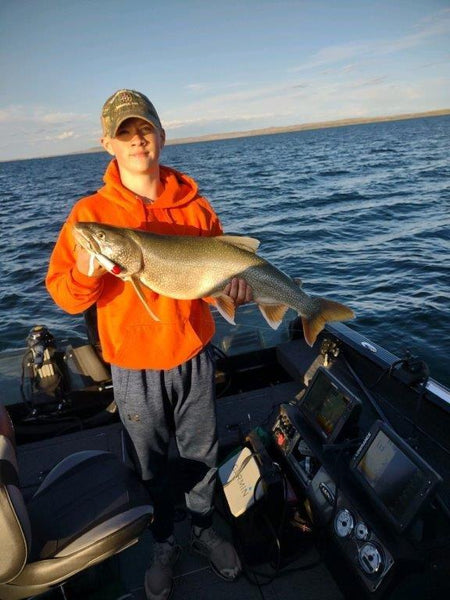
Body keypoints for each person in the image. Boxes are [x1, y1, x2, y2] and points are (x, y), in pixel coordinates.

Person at [46, 89, 252, 600]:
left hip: (193, 354)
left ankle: (203, 529)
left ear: (161, 135)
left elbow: (223, 277)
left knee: (202, 453)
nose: (137, 140)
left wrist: (237, 292)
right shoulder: (90, 214)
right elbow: (65, 296)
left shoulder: (196, 205)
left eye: (144, 129)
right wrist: (89, 268)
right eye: (124, 133)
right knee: (151, 463)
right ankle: (164, 540)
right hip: (134, 367)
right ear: (107, 145)